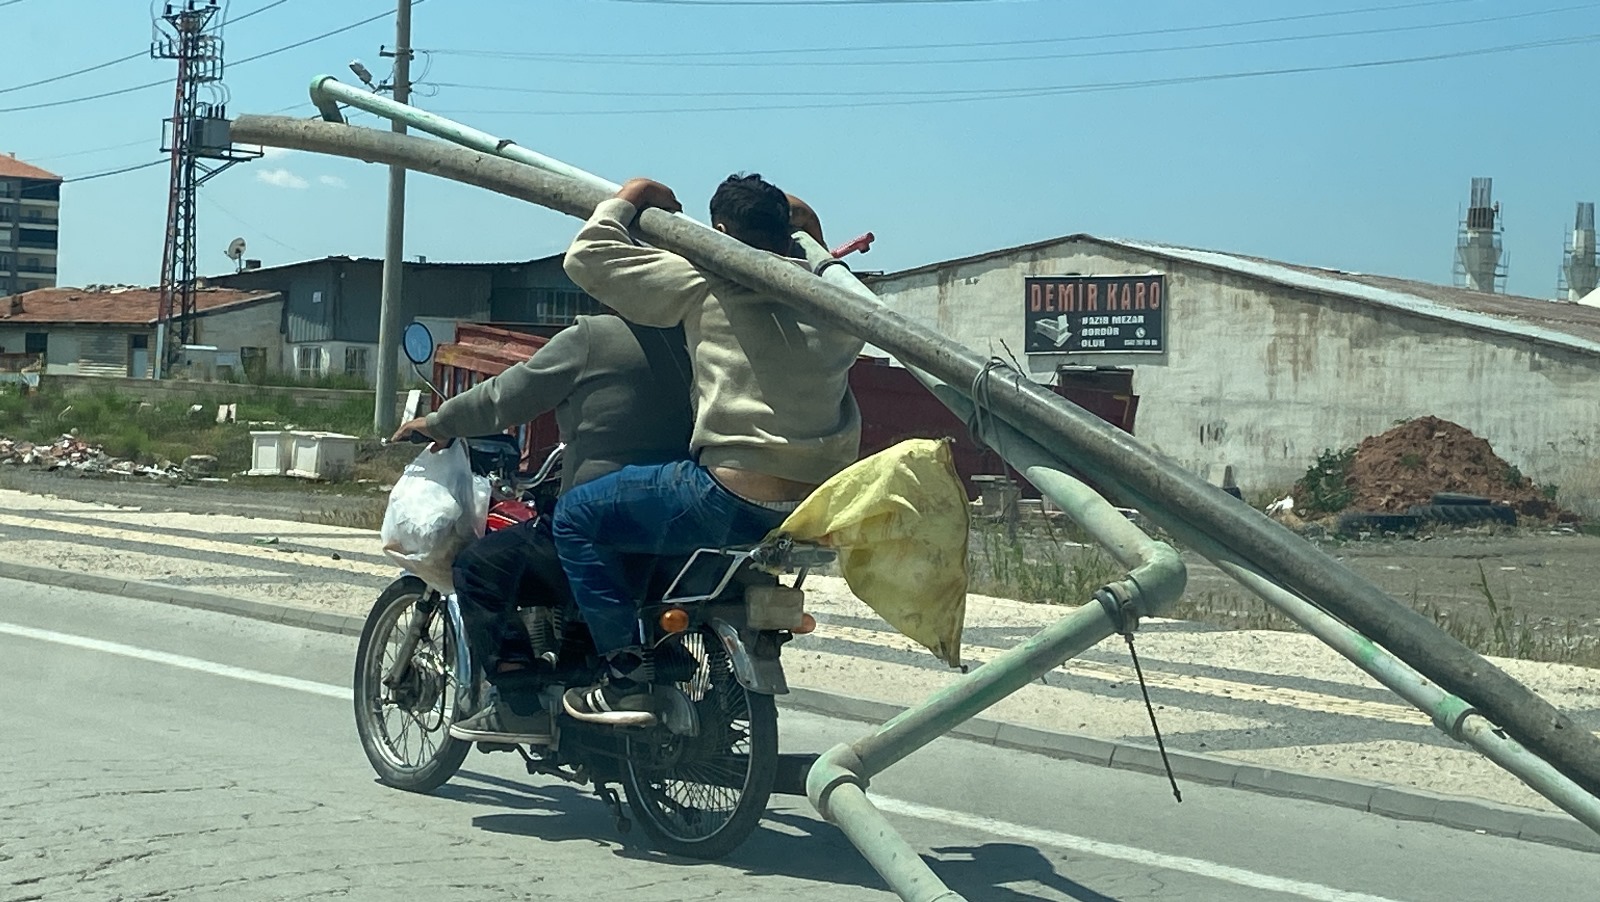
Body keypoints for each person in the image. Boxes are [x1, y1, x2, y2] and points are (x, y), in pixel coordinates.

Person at [555, 173, 865, 725]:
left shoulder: (708, 279)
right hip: (815, 507)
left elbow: (588, 260)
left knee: (576, 517)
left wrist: (630, 199)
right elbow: (825, 262)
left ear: (720, 232)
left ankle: (625, 674)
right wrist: (813, 230)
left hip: (729, 495)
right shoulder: (841, 301)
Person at [390, 312, 693, 743]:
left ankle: (519, 704)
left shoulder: (595, 338)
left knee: (478, 567)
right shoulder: (696, 338)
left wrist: (439, 423)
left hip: (600, 521)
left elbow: (507, 395)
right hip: (680, 527)